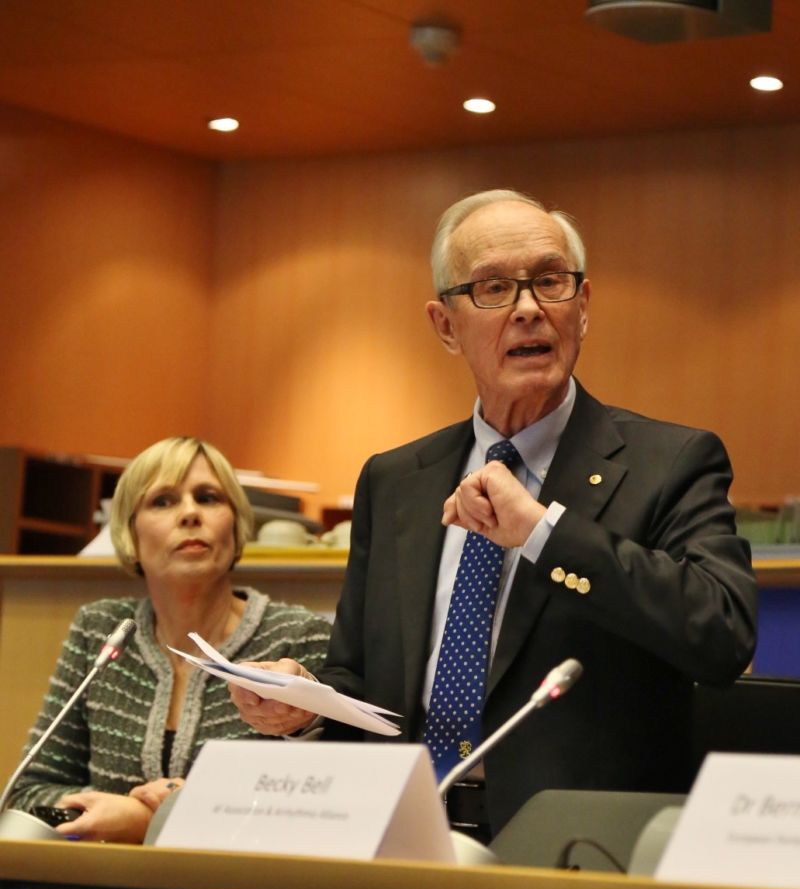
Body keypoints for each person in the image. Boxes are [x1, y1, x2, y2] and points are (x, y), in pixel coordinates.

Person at [232, 189, 757, 839]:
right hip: (402, 834)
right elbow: (363, 677)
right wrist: (306, 702)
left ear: (583, 307)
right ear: (445, 326)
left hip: (576, 849)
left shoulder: (670, 462)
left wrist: (542, 531)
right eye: (494, 288)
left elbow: (722, 635)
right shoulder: (395, 481)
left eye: (550, 281)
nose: (529, 309)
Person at [9, 436, 330, 841]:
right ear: (129, 534)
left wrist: (157, 819)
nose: (190, 513)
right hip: (105, 877)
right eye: (163, 501)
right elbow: (27, 792)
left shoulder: (296, 638)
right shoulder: (101, 629)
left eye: (208, 498)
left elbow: (325, 805)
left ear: (236, 526)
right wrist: (118, 813)